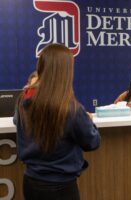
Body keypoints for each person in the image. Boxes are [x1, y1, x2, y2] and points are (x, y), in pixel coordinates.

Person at [13, 43, 100, 200]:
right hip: (61, 188)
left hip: (30, 182)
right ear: (65, 71)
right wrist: (89, 120)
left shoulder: (23, 99)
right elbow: (92, 142)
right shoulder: (71, 108)